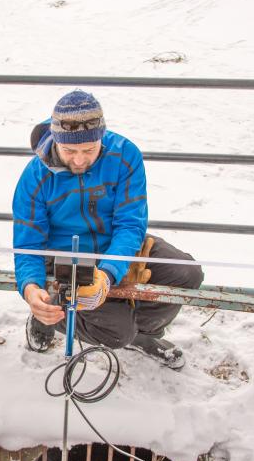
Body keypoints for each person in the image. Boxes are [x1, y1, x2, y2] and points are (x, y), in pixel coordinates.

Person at [12, 89, 204, 370]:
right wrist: (30, 289)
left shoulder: (125, 155)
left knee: (186, 273)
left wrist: (109, 271)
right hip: (67, 257)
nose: (79, 160)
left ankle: (142, 335)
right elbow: (28, 244)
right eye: (70, 151)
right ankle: (50, 316)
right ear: (56, 141)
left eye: (89, 150)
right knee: (116, 331)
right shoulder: (35, 177)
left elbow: (130, 223)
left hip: (116, 245)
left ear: (102, 137)